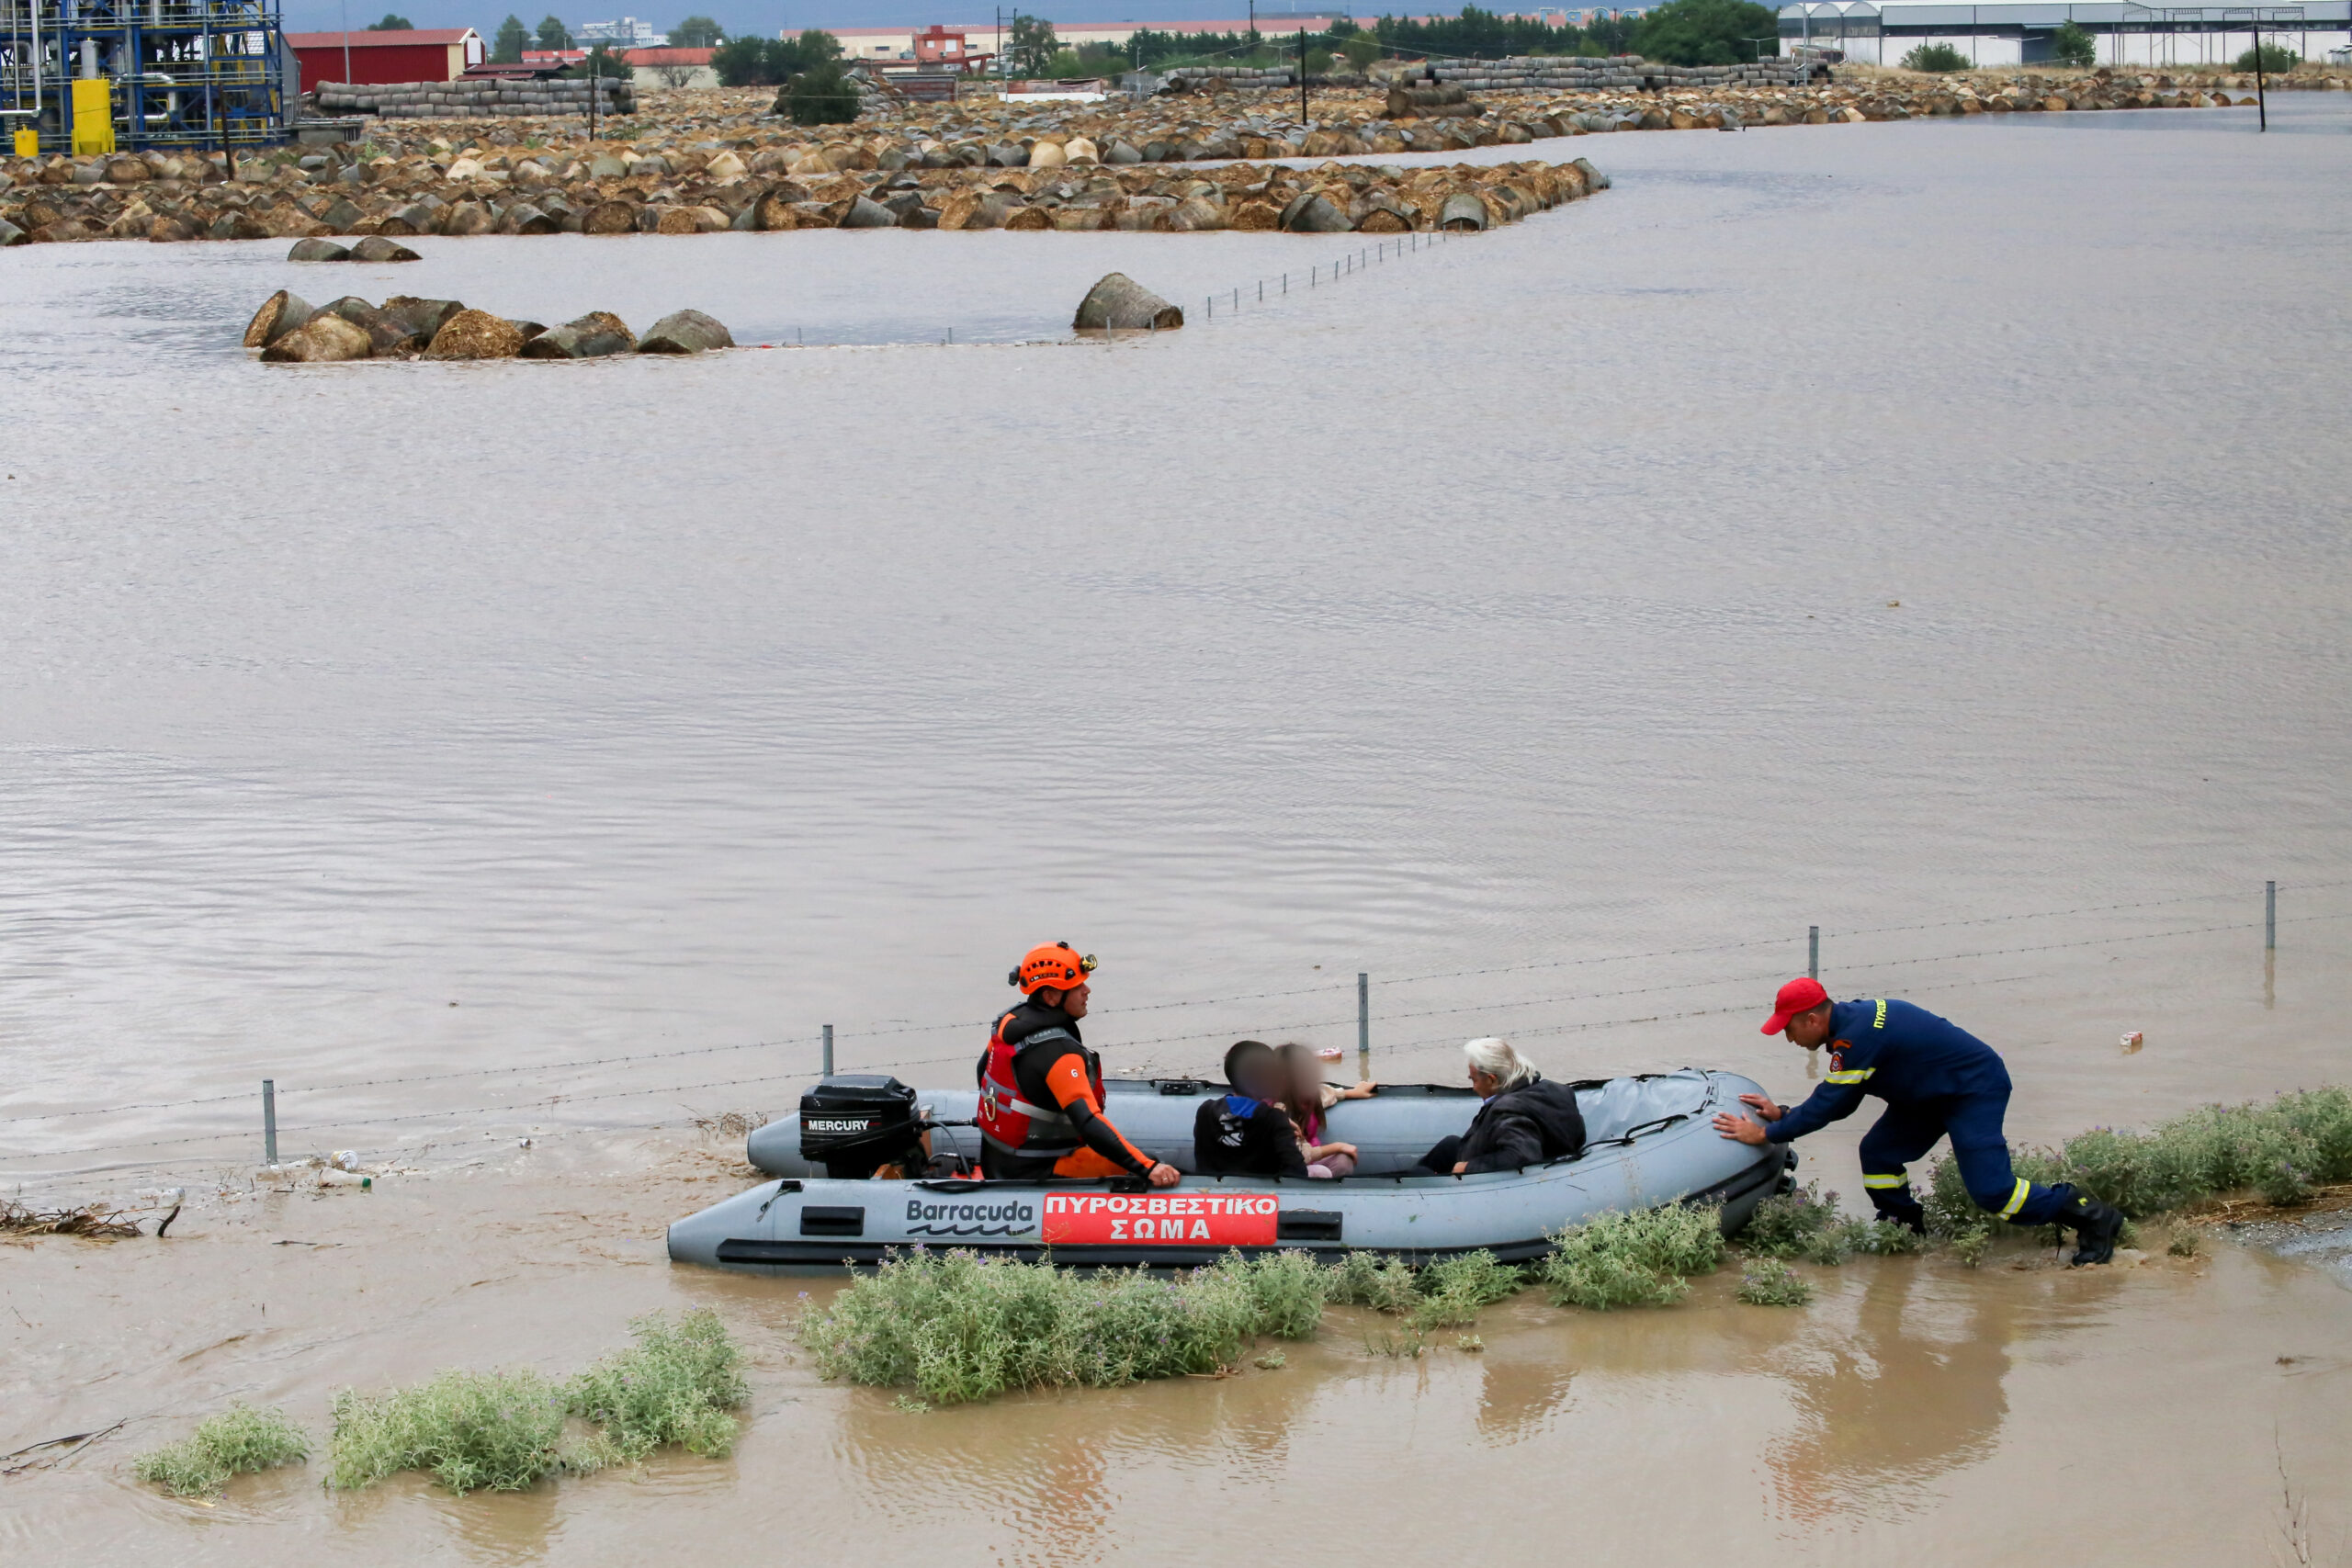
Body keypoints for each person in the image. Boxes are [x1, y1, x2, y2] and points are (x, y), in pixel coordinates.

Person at [1713, 977, 2125, 1266]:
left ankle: (2089, 1214)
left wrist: (1766, 1132)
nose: (1789, 1039)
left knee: (1994, 1193)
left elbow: (1832, 1106)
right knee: (1878, 1154)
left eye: (1788, 1029)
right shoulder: (1852, 1025)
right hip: (1928, 1095)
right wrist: (1786, 1114)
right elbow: (1842, 1096)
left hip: (1971, 1090)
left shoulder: (1856, 1040)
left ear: (1812, 1020)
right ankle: (1904, 1227)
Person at [976, 942, 1180, 1187]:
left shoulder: (1009, 1026)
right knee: (1148, 1163)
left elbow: (982, 1072)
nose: (1087, 990)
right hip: (1037, 1168)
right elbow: (1089, 1122)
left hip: (996, 1159)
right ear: (1050, 996)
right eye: (1076, 987)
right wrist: (1148, 1167)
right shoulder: (1059, 1053)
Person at [1416, 1037, 1588, 1174]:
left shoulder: (1508, 1110)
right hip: (1543, 1157)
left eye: (1474, 1080)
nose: (1474, 1087)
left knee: (1420, 1175)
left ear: (1491, 1079)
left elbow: (1522, 1155)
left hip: (1491, 1179)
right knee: (1450, 1145)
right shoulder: (1558, 1090)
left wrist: (1468, 1167)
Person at [1194, 1040, 1313, 1178]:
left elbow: (1201, 1163)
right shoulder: (1274, 1120)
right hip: (1265, 1194)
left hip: (1209, 1194)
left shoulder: (1205, 1111)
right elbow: (1297, 1173)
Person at [1273, 1040, 1375, 1177]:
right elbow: (1300, 1154)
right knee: (1322, 1172)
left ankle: (1331, 1191)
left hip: (1312, 1160)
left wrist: (1354, 1092)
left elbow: (1328, 1093)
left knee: (1343, 1161)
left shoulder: (1311, 1097)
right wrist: (1338, 1146)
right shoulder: (1278, 1111)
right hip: (1292, 1167)